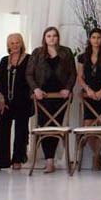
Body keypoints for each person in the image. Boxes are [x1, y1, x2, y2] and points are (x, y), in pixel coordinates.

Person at [26, 27, 76, 173]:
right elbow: (29, 74)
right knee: (44, 128)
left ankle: (56, 160)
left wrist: (68, 88)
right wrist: (35, 89)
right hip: (43, 97)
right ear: (44, 38)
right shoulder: (37, 53)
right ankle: (49, 162)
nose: (52, 38)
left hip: (61, 97)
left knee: (57, 128)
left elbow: (72, 73)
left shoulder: (66, 52)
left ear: (58, 38)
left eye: (54, 36)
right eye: (48, 36)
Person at [0, 34, 32, 172]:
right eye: (12, 43)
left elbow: (32, 79)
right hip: (6, 101)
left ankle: (17, 159)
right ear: (8, 45)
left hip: (23, 101)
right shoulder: (4, 60)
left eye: (17, 42)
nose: (15, 45)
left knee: (21, 130)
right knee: (1, 130)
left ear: (22, 43)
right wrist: (1, 98)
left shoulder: (29, 59)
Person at [76, 28, 101, 170]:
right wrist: (88, 89)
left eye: (99, 37)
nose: (96, 40)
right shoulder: (83, 57)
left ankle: (98, 156)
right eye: (93, 37)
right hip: (89, 95)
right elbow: (79, 77)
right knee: (88, 126)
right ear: (89, 39)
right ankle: (96, 154)